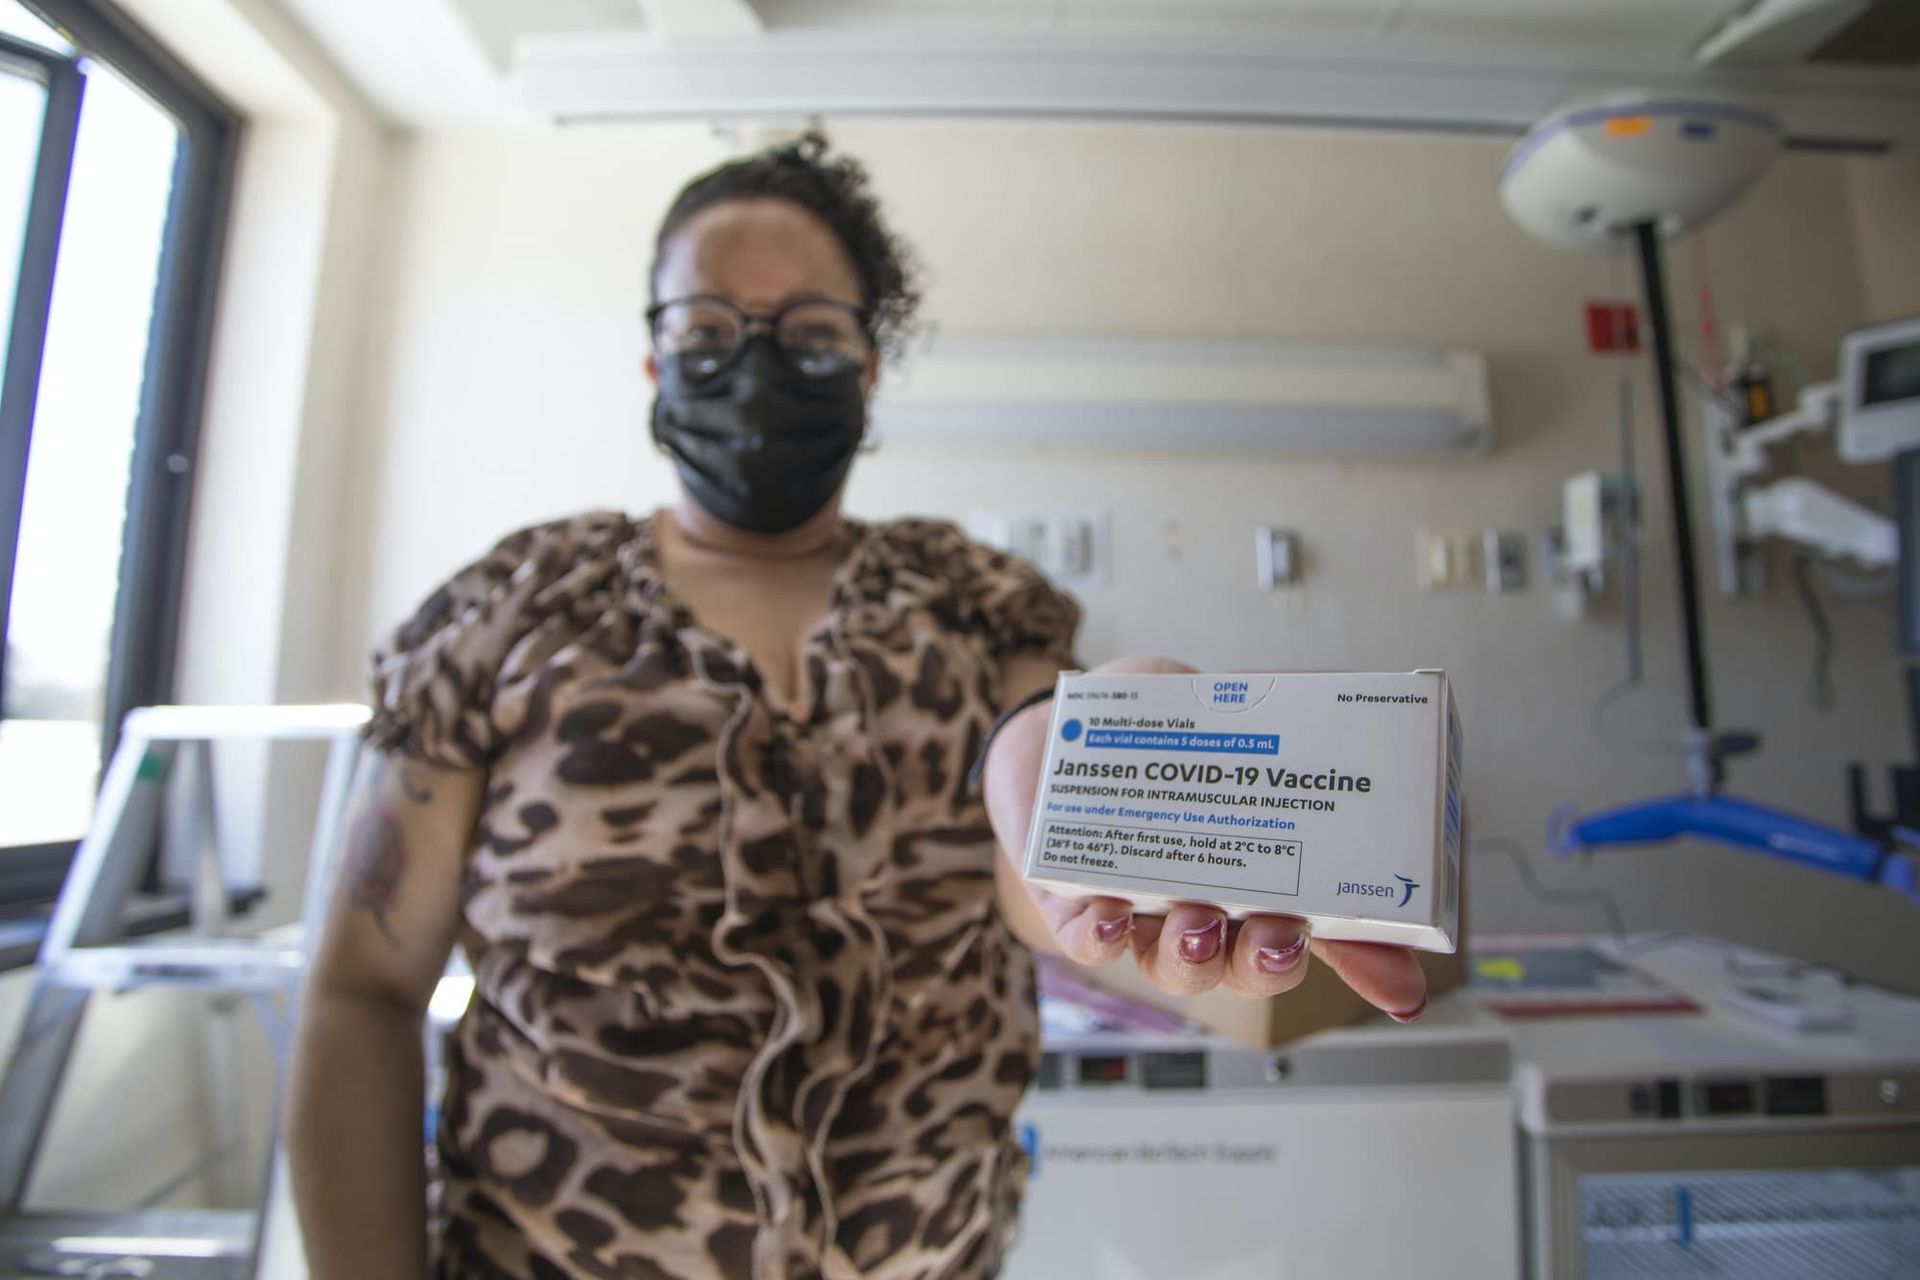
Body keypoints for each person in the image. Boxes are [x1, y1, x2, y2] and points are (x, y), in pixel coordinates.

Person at [286, 131, 1427, 1280]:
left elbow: (1044, 870)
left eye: (812, 333)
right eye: (707, 331)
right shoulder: (511, 611)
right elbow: (363, 986)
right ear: (654, 364)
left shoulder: (979, 605)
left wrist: (1119, 786)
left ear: (870, 366)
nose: (757, 365)